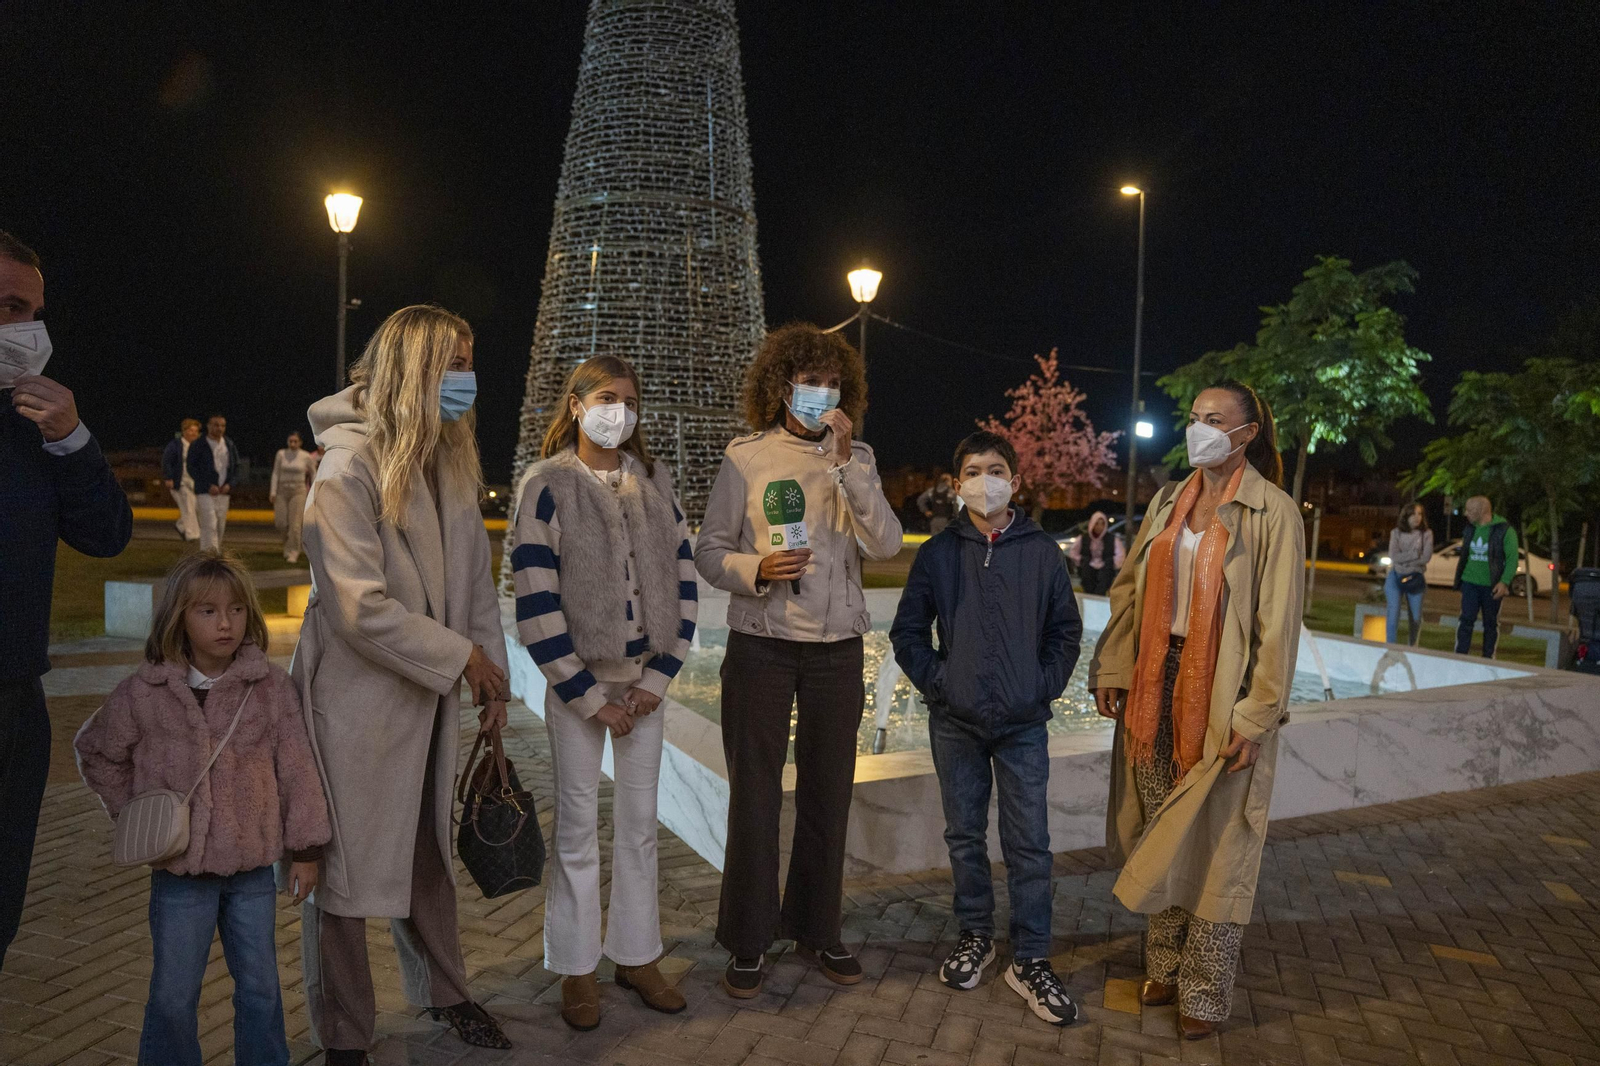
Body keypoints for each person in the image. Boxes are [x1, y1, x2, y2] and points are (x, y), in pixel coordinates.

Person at [294, 304, 512, 1060]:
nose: (466, 377)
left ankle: (446, 994)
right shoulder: (347, 466)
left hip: (428, 695)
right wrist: (462, 659)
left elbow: (475, 585)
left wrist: (493, 680)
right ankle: (345, 1035)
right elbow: (359, 609)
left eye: (470, 358)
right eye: (453, 361)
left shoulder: (448, 458)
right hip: (355, 702)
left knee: (426, 856)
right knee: (345, 875)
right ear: (412, 367)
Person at [1087, 380, 1304, 1040]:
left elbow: (1278, 626)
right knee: (1162, 823)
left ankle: (1205, 990)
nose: (1199, 428)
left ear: (1247, 435)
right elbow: (1131, 591)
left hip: (1224, 690)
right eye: (1194, 417)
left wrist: (1255, 715)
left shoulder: (1273, 514)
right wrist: (1116, 667)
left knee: (1220, 840)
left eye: (1215, 419)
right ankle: (1164, 962)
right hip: (1158, 683)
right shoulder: (1165, 502)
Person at [696, 323, 904, 997]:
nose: (821, 392)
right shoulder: (746, 456)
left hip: (837, 650)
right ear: (780, 385)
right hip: (762, 645)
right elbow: (708, 550)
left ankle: (818, 929)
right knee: (754, 798)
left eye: (832, 381)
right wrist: (755, 566)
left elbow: (885, 544)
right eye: (809, 380)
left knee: (827, 796)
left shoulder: (859, 458)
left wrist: (846, 467)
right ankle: (749, 940)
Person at [74, 551, 330, 1066]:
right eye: (208, 611)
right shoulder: (145, 693)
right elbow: (97, 750)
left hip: (252, 870)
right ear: (179, 617)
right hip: (180, 872)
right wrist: (137, 814)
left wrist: (306, 850)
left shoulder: (270, 689)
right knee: (172, 996)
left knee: (260, 989)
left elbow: (299, 770)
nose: (225, 623)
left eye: (236, 610)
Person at [510, 355, 698, 1030]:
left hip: (645, 689)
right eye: (606, 397)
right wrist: (590, 696)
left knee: (641, 828)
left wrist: (655, 680)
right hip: (579, 691)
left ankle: (637, 954)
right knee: (577, 831)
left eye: (628, 399)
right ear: (577, 404)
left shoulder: (653, 484)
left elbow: (683, 585)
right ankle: (577, 966)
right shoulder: (548, 485)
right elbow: (535, 602)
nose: (618, 409)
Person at [889, 430, 1082, 1025]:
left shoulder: (1042, 552)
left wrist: (1038, 685)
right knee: (965, 837)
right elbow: (907, 633)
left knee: (1030, 844)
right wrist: (942, 685)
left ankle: (1031, 957)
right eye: (972, 470)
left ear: (1016, 481)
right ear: (957, 484)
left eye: (995, 469)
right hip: (957, 723)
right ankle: (977, 935)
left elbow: (1065, 634)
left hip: (1023, 724)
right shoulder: (938, 553)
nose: (984, 480)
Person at [0, 229, 132, 968]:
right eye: (11, 306)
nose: (28, 328)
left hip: (17, 701)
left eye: (34, 311)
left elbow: (108, 534)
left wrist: (72, 438)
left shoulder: (30, 421)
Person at [1453, 495, 1517, 658]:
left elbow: (1512, 559)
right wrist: (1460, 579)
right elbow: (1465, 555)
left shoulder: (1504, 530)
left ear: (1481, 511)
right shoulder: (1470, 529)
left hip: (1491, 585)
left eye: (1469, 510)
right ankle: (1460, 655)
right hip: (1470, 582)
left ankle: (1488, 658)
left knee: (1490, 623)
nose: (1466, 514)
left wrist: (1504, 582)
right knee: (1466, 620)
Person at [187, 413, 239, 551]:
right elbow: (191, 468)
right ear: (209, 426)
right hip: (205, 492)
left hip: (223, 492)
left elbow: (236, 467)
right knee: (209, 524)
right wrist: (207, 486)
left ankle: (215, 552)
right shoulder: (199, 444)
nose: (219, 428)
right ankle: (209, 556)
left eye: (222, 425)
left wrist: (229, 484)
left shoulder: (229, 444)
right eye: (216, 425)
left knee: (220, 525)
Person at [1385, 502, 1433, 645]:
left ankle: (1412, 647)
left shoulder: (1427, 534)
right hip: (1395, 576)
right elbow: (1393, 556)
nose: (1417, 517)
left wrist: (1404, 560)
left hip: (1415, 578)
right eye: (1413, 514)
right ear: (1406, 516)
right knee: (1393, 614)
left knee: (1416, 617)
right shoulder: (1396, 533)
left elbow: (1426, 557)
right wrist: (1414, 554)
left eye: (1420, 514)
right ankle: (1390, 647)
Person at [269, 430, 315, 563]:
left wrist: (313, 490)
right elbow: (276, 473)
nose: (293, 443)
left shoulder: (306, 456)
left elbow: (313, 473)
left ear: (300, 442)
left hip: (298, 491)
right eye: (290, 441)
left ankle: (293, 551)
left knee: (295, 525)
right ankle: (287, 546)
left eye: (295, 441)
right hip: (282, 491)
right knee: (281, 523)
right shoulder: (281, 454)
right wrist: (273, 492)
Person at [161, 418, 202, 541]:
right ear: (184, 431)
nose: (194, 433)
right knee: (188, 508)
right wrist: (168, 478)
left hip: (194, 483)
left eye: (196, 431)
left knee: (197, 508)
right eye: (191, 430)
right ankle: (192, 535)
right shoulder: (175, 445)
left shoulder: (198, 447)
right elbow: (166, 461)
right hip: (179, 482)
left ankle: (180, 525)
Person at [1067, 511, 1124, 596]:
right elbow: (1073, 552)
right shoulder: (1083, 538)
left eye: (1102, 524)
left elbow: (1120, 555)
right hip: (1087, 569)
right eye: (1097, 524)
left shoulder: (1112, 539)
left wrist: (1111, 562)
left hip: (1106, 570)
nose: (1099, 527)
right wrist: (1082, 560)